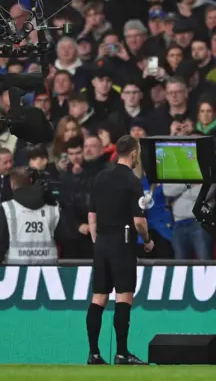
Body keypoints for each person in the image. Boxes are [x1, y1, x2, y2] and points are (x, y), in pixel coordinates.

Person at [86, 135, 153, 366]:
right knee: (124, 296)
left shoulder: (100, 177)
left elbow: (92, 217)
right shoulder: (132, 181)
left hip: (102, 242)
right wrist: (147, 240)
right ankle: (122, 353)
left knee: (99, 298)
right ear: (134, 153)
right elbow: (139, 223)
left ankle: (93, 354)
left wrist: (98, 242)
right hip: (122, 242)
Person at [0, 166, 67, 265]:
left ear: (12, 184)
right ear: (31, 181)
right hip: (48, 271)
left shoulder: (8, 208)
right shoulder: (53, 207)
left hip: (17, 271)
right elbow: (65, 237)